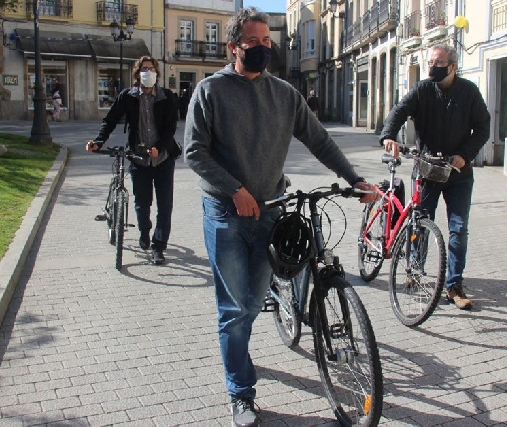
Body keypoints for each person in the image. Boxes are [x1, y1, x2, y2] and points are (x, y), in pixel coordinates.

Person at [183, 7, 377, 427]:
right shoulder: (211, 91)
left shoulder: (284, 94)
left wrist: (354, 178)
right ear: (234, 46)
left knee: (254, 302)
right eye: (254, 42)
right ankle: (241, 393)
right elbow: (194, 152)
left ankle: (239, 350)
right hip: (226, 212)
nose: (263, 49)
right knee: (235, 310)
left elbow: (319, 140)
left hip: (270, 210)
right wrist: (234, 190)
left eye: (267, 41)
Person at [379, 43, 490, 310]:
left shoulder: (469, 92)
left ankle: (454, 285)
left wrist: (465, 154)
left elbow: (483, 128)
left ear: (452, 66)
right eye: (430, 62)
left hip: (458, 173)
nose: (432, 67)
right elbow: (399, 110)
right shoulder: (422, 90)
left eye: (438, 63)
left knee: (459, 229)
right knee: (420, 225)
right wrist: (388, 135)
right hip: (427, 170)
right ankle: (415, 271)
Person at [86, 55, 179, 265]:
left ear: (157, 73)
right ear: (137, 74)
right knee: (142, 202)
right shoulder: (128, 96)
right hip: (138, 158)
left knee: (165, 205)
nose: (148, 72)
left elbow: (170, 128)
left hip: (163, 158)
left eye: (152, 69)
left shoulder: (166, 97)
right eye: (144, 69)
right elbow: (109, 120)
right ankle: (144, 232)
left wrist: (159, 148)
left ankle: (159, 246)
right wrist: (98, 141)